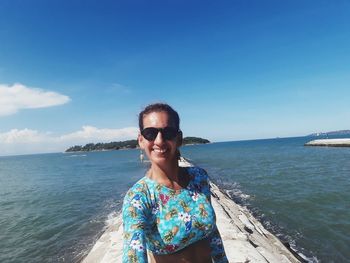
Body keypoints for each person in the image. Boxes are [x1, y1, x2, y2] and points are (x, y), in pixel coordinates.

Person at [122, 103, 228, 263]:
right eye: (150, 133)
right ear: (141, 140)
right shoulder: (138, 198)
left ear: (179, 138)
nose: (159, 140)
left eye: (168, 132)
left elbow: (212, 233)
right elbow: (133, 256)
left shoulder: (198, 178)